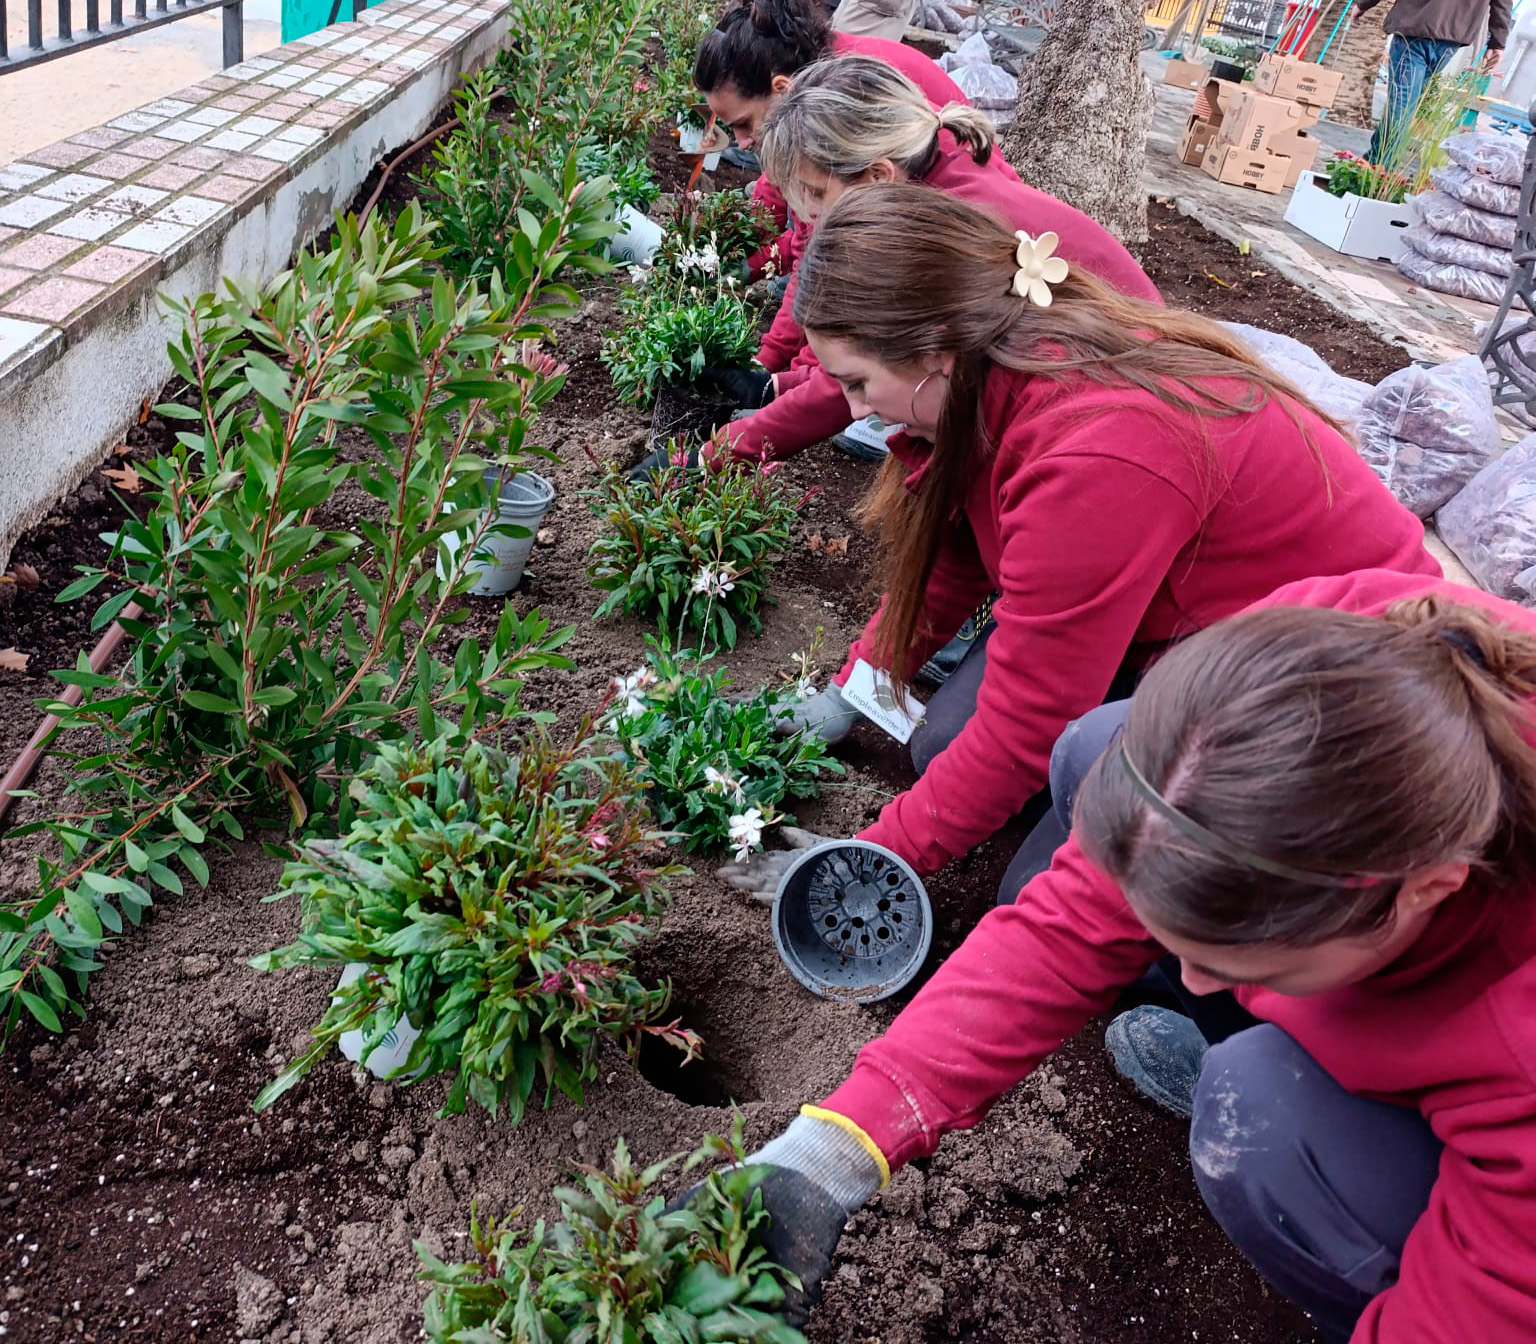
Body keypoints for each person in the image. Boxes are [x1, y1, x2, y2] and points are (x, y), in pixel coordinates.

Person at [700, 567, 1536, 1343]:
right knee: (1096, 748)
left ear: (1423, 890)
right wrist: (832, 1152)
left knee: (1261, 1118)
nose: (1196, 979)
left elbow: (1481, 1305)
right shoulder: (1316, 660)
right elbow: (1071, 920)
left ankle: (1334, 1164)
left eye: (1250, 964)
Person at [720, 184, 1439, 908]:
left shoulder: (1096, 449)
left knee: (1042, 892)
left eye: (858, 382)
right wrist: (859, 689)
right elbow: (956, 555)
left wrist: (870, 858)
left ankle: (1216, 971)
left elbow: (1030, 717)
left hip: (1341, 677)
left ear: (935, 349)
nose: (852, 408)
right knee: (944, 748)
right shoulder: (996, 370)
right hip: (1191, 618)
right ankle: (1081, 797)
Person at [710, 55, 1160, 467]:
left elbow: (863, 374)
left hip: (1125, 417)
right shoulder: (929, 177)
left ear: (877, 175)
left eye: (816, 193)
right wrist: (777, 384)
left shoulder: (936, 230)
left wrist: (712, 455)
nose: (810, 213)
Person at [693, 0, 967, 291]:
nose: (741, 143)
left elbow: (813, 245)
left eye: (745, 123)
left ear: (781, 88)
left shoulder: (839, 102)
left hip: (952, 235)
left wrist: (756, 273)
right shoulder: (811, 77)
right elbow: (778, 187)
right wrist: (743, 247)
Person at [1354, 0, 1510, 163]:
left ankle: (1380, 170)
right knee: (1404, 104)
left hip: (1416, 25)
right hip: (1453, 34)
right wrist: (1498, 43)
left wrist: (1363, 4)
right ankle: (1371, 162)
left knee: (1402, 104)